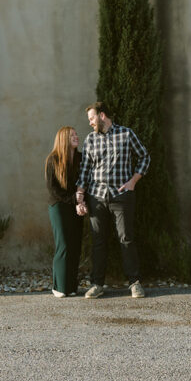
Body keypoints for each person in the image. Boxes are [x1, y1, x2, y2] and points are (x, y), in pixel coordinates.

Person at [75, 101, 150, 299]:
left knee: (126, 239)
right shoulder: (90, 140)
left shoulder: (126, 134)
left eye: (91, 118)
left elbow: (144, 157)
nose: (90, 122)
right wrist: (80, 196)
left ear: (102, 116)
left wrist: (134, 181)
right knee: (98, 242)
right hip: (96, 197)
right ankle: (97, 284)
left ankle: (134, 283)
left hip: (121, 196)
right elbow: (84, 170)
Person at [45, 126, 85, 297]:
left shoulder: (81, 158)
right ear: (63, 139)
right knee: (64, 245)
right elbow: (53, 189)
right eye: (72, 135)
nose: (76, 137)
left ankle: (71, 287)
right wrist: (74, 200)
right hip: (59, 206)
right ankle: (59, 287)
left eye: (76, 135)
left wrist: (81, 202)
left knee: (75, 245)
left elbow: (86, 181)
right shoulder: (52, 160)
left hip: (77, 206)